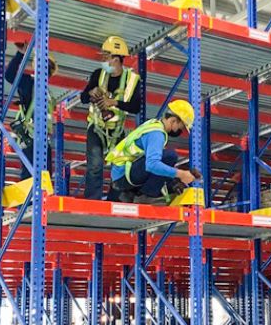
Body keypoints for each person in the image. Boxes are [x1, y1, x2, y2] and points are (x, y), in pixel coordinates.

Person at [80, 36, 142, 199]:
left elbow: (136, 107)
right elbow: (83, 98)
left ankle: (114, 200)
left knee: (119, 167)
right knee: (95, 165)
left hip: (117, 130)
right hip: (96, 127)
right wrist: (91, 93)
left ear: (116, 59)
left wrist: (114, 102)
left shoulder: (132, 80)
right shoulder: (98, 75)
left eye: (106, 56)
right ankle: (92, 201)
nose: (103, 60)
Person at [105, 100, 197, 204]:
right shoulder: (157, 134)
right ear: (173, 121)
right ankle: (147, 196)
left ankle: (130, 194)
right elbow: (152, 165)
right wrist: (181, 174)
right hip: (124, 176)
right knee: (170, 156)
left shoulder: (153, 124)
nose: (179, 131)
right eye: (181, 127)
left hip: (122, 176)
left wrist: (173, 183)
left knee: (164, 164)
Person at [5, 41, 58, 181]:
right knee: (30, 177)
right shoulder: (29, 83)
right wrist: (20, 54)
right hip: (30, 138)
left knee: (44, 179)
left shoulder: (48, 93)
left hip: (43, 141)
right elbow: (9, 75)